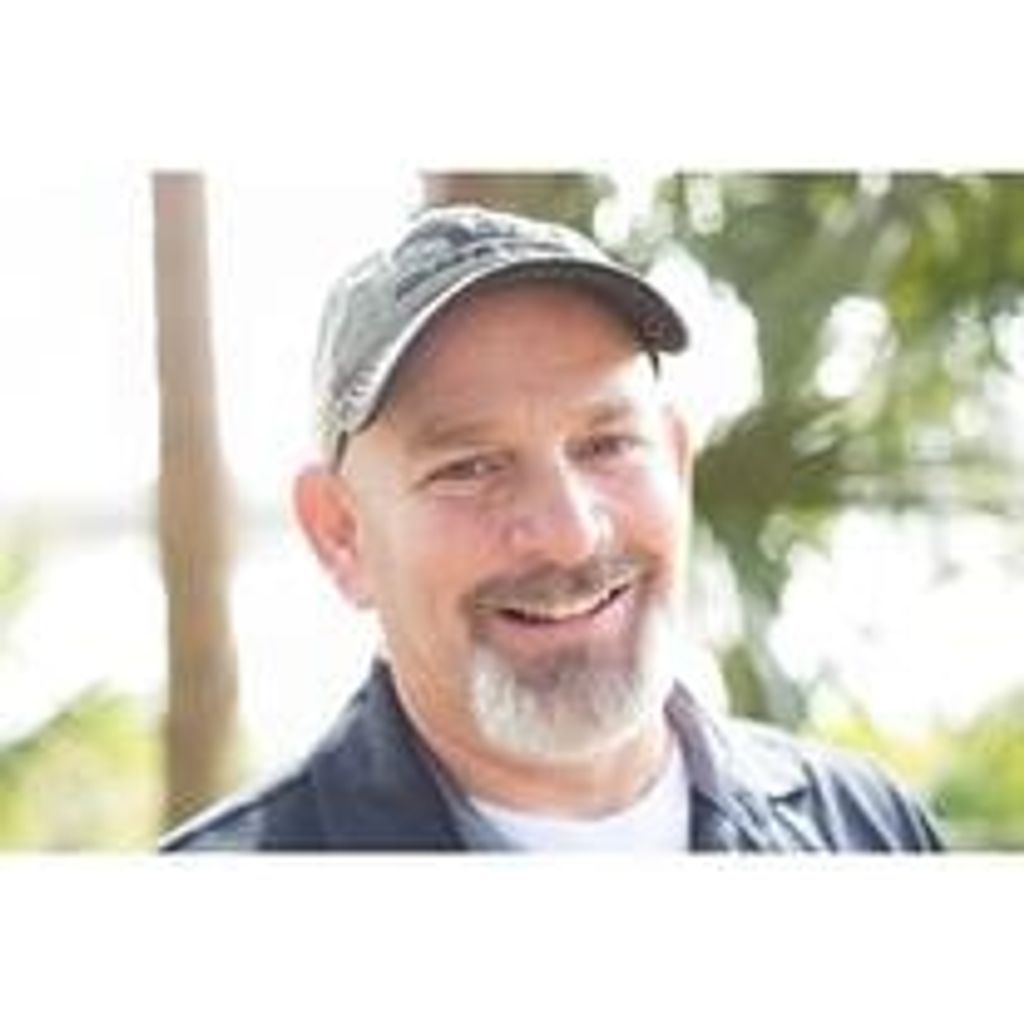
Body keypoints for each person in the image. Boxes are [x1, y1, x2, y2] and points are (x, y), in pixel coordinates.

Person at [161, 204, 943, 852]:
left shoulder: (870, 829)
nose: (571, 535)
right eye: (470, 467)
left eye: (607, 445)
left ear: (676, 464)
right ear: (342, 535)